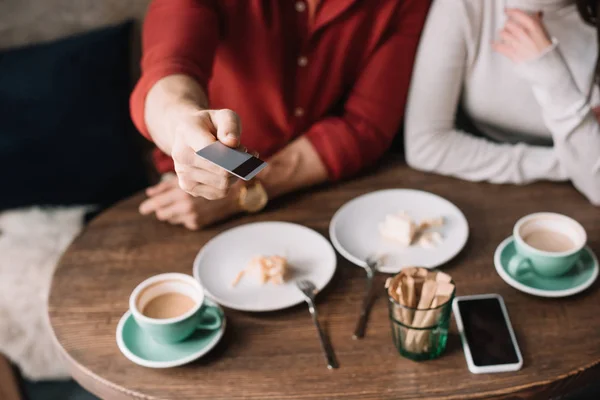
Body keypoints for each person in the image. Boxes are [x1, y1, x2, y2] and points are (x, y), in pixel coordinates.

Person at [130, 0, 432, 230]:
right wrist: (184, 125)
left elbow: (364, 126)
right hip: (192, 191)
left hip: (314, 185)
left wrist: (245, 189)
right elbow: (169, 67)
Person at [404, 0, 600, 205]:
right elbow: (425, 146)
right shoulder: (465, 5)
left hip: (568, 204)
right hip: (472, 191)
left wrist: (553, 79)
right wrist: (566, 164)